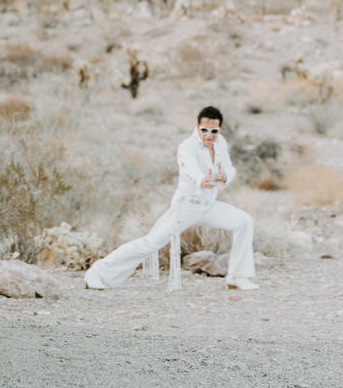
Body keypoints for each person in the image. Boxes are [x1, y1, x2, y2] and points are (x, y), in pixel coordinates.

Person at [84, 107, 259, 291]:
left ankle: (237, 276)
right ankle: (97, 272)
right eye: (204, 130)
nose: (209, 135)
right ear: (197, 127)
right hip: (186, 206)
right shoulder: (187, 146)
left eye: (214, 131)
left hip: (208, 206)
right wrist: (202, 179)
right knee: (152, 242)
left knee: (244, 221)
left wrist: (225, 176)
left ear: (220, 129)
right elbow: (190, 168)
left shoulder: (220, 143)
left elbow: (230, 168)